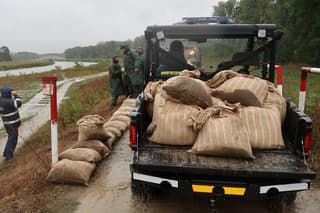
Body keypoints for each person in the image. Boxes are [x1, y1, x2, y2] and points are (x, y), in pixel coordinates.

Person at [0, 86, 22, 160]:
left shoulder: (1, 101)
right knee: (13, 139)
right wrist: (16, 95)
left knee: (10, 137)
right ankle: (9, 155)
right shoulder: (11, 101)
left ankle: (6, 153)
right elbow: (19, 103)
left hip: (6, 124)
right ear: (9, 93)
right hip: (13, 123)